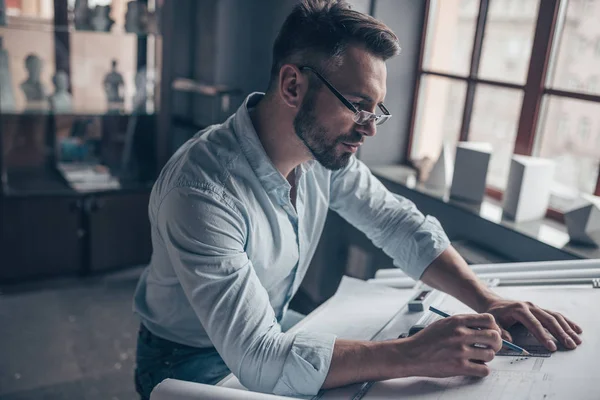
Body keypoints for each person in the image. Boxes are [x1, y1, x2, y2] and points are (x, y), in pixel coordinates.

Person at [133, 1, 582, 398]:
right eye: (356, 105)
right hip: (186, 360)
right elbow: (260, 357)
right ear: (293, 86)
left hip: (270, 325)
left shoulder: (321, 156)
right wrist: (414, 355)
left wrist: (486, 300)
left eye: (376, 111)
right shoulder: (200, 192)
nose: (368, 129)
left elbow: (398, 224)